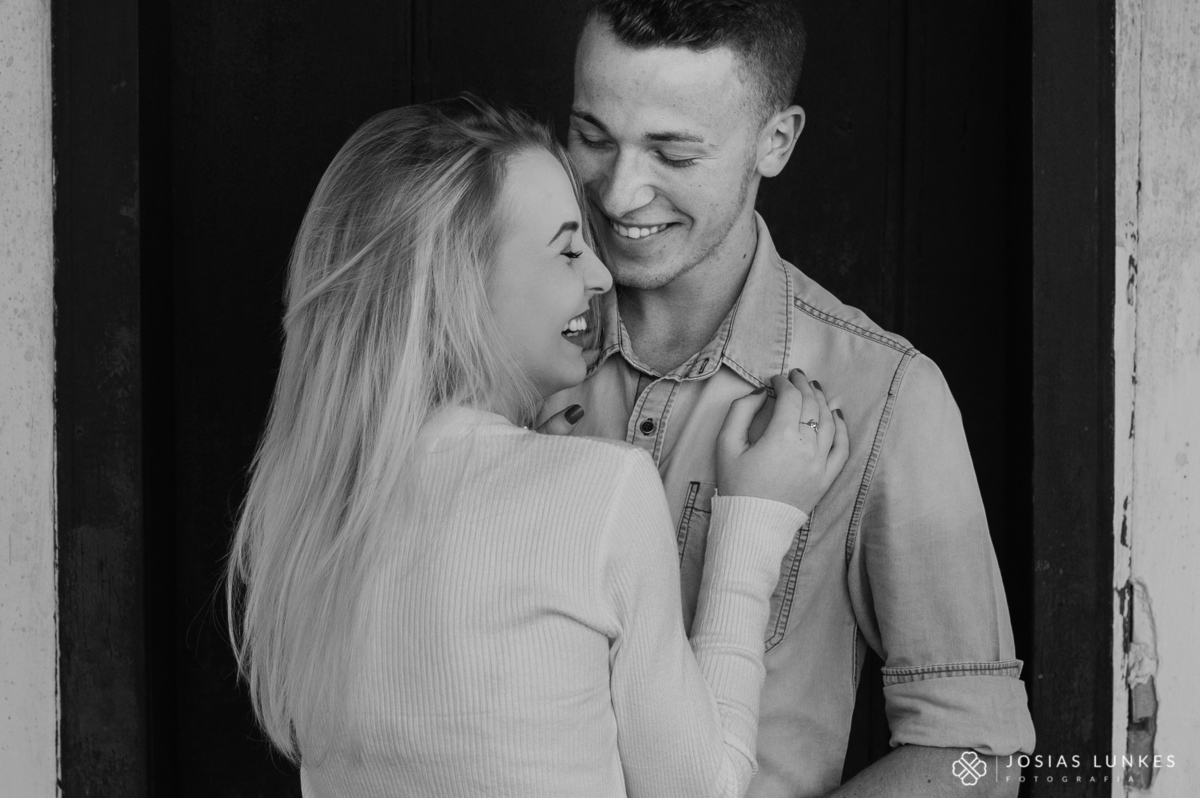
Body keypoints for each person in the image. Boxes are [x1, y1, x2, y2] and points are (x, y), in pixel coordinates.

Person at [225, 96, 848, 798]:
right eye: (566, 248)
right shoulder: (604, 490)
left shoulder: (304, 518)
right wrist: (755, 522)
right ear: (458, 281)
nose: (601, 276)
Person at [540, 2, 1038, 796]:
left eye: (673, 152)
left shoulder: (887, 396)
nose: (621, 191)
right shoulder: (499, 349)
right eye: (594, 136)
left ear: (777, 141)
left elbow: (978, 752)